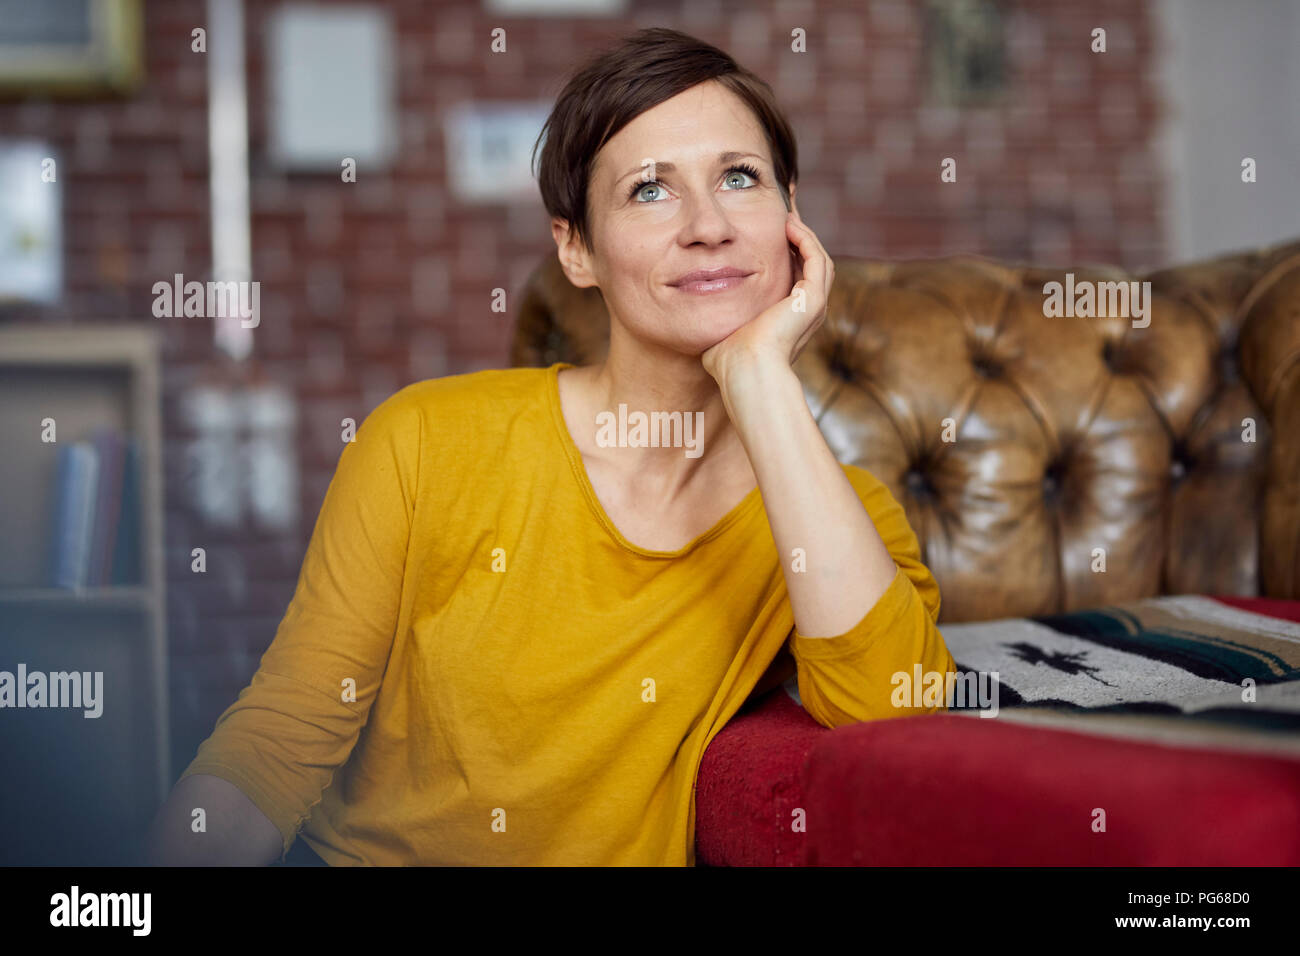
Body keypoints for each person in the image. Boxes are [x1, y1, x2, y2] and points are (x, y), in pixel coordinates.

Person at [145, 26, 955, 868]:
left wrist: (759, 377)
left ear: (792, 219)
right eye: (650, 190)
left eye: (740, 179)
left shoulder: (834, 514)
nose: (708, 225)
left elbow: (895, 726)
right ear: (575, 248)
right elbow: (278, 741)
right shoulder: (423, 441)